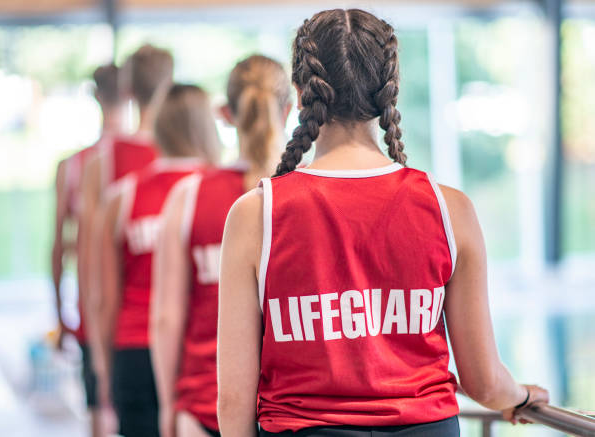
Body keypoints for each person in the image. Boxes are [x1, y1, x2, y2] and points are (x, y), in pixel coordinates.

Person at [217, 9, 549, 437]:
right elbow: (483, 380)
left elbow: (233, 399)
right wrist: (520, 397)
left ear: (301, 96)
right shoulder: (450, 210)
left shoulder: (254, 215)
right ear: (388, 92)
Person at [151, 55, 292, 437]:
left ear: (226, 113)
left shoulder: (189, 196)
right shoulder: (311, 196)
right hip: (290, 415)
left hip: (203, 407)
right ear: (291, 108)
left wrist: (168, 407)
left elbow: (166, 318)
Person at [96, 84, 220, 437]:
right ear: (205, 127)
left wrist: (104, 370)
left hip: (135, 353)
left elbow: (105, 297)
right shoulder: (222, 193)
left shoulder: (122, 196)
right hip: (198, 357)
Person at [80, 44, 174, 415]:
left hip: (131, 343)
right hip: (187, 344)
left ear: (128, 90)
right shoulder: (197, 160)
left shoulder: (101, 162)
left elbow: (94, 277)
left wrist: (100, 361)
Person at [51, 63, 122, 437]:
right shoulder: (152, 160)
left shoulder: (72, 166)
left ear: (95, 96)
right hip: (135, 316)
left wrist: (59, 315)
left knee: (100, 414)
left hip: (90, 313)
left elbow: (57, 249)